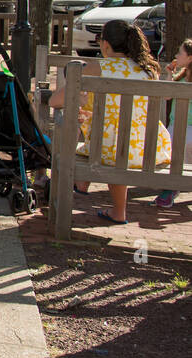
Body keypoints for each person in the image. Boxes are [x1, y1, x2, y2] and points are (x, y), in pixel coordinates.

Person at [48, 20, 173, 223]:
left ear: (105, 45)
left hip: (109, 149)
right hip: (150, 149)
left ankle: (83, 186)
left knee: (107, 139)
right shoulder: (149, 70)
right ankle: (116, 209)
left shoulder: (97, 68)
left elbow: (55, 101)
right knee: (118, 138)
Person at [164, 38, 192, 172]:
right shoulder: (182, 76)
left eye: (180, 53)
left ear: (190, 58)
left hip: (187, 128)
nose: (176, 56)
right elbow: (167, 95)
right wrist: (170, 73)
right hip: (175, 126)